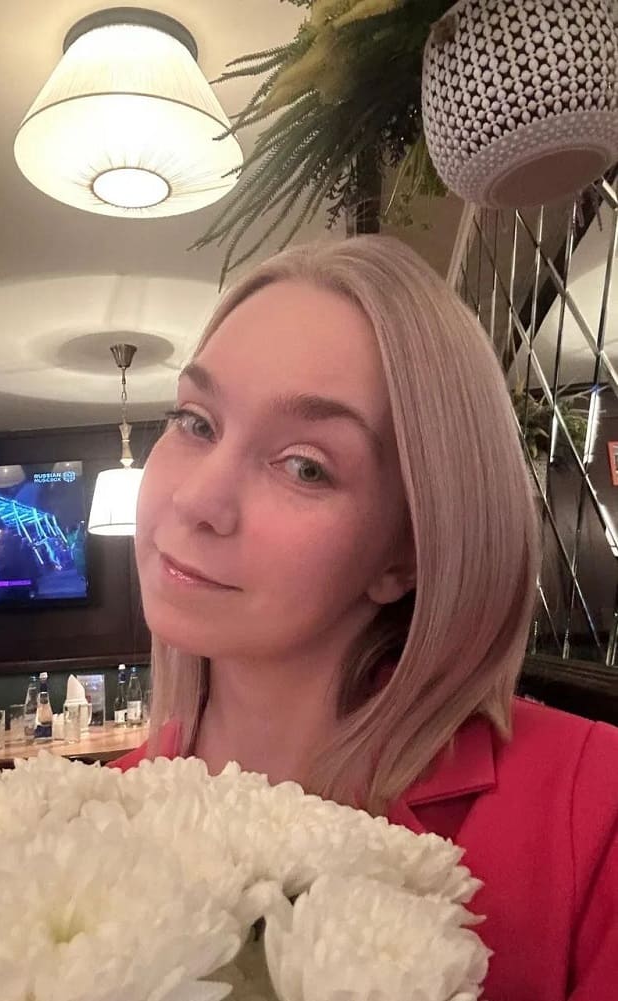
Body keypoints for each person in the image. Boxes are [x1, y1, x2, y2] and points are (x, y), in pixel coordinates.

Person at [106, 235, 618, 1000]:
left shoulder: (591, 809)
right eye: (196, 422)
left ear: (405, 550)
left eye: (305, 465)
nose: (196, 499)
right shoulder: (90, 818)